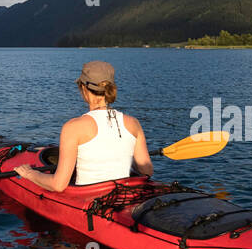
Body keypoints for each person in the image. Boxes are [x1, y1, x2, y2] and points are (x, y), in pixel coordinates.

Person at [16, 61, 153, 190]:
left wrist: (29, 174)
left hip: (90, 201)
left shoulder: (73, 127)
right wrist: (125, 155)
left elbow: (58, 185)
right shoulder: (133, 123)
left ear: (83, 88)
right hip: (123, 195)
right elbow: (147, 171)